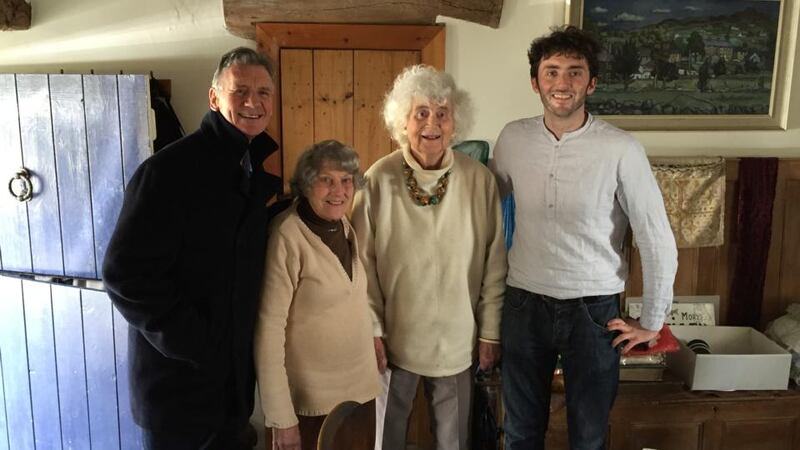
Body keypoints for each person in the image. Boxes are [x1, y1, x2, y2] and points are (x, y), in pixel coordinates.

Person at [490, 26, 678, 449]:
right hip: (523, 304)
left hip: (594, 312)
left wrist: (652, 320)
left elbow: (655, 235)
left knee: (589, 436)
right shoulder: (511, 139)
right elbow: (485, 213)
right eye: (551, 71)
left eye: (575, 72)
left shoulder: (621, 149)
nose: (562, 83)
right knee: (520, 432)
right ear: (535, 81)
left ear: (591, 83)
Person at [102, 47, 286, 450]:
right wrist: (199, 344)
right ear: (215, 98)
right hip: (177, 391)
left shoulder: (249, 168)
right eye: (240, 91)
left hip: (228, 389)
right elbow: (124, 274)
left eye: (264, 92)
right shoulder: (169, 172)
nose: (254, 102)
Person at [351, 64, 507, 450]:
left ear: (456, 123)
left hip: (458, 340)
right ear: (403, 122)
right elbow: (360, 265)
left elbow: (495, 263)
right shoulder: (377, 180)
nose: (431, 123)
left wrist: (490, 332)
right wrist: (371, 330)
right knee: (386, 440)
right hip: (393, 339)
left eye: (442, 113)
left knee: (453, 442)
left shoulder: (479, 181)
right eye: (421, 112)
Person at [254, 140, 380, 450]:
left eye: (346, 180)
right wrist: (281, 417)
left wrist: (373, 334)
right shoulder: (288, 236)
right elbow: (268, 331)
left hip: (359, 396)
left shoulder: (343, 225)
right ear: (307, 183)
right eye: (326, 180)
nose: (339, 190)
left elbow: (349, 299)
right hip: (311, 407)